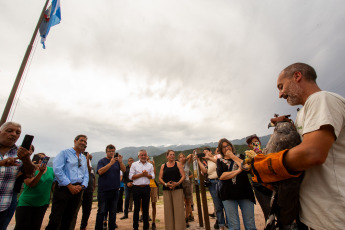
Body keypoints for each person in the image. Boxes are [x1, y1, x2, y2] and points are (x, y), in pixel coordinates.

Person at [252, 63, 345, 229]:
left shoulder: (322, 99)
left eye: (281, 87)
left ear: (297, 76)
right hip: (312, 215)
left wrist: (267, 165)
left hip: (334, 215)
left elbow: (312, 153)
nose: (280, 94)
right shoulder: (302, 113)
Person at [46, 134, 89, 230]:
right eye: (81, 140)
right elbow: (57, 170)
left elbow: (86, 174)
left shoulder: (83, 158)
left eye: (85, 142)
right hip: (63, 189)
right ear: (75, 141)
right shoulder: (64, 153)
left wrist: (82, 186)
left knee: (69, 218)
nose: (83, 143)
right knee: (56, 218)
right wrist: (69, 185)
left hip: (77, 190)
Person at [0, 121, 35, 229]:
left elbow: (30, 174)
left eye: (18, 132)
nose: (14, 134)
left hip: (4, 205)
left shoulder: (18, 153)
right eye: (9, 131)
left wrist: (26, 159)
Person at [217, 138, 256, 230]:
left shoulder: (240, 156)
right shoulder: (220, 161)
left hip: (245, 192)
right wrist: (239, 170)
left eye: (228, 145)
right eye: (223, 147)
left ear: (231, 146)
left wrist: (232, 156)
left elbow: (246, 168)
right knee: (233, 225)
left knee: (250, 223)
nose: (226, 148)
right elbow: (222, 176)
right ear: (221, 150)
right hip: (228, 194)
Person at [14, 153, 55, 230]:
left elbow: (53, 185)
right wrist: (40, 172)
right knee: (22, 226)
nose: (41, 160)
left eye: (43, 159)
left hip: (42, 203)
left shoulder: (51, 170)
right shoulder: (29, 170)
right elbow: (31, 184)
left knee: (36, 227)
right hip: (27, 203)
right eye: (39, 158)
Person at [95, 145, 126, 230]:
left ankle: (112, 227)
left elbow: (124, 170)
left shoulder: (117, 162)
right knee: (101, 212)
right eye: (110, 151)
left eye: (113, 151)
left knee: (113, 212)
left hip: (115, 190)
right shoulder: (101, 161)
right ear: (106, 152)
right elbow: (100, 172)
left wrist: (120, 162)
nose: (111, 153)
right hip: (103, 191)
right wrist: (110, 163)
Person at [197, 147, 226, 230]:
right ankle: (221, 225)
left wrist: (209, 157)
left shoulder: (217, 157)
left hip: (221, 181)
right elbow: (205, 171)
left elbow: (220, 162)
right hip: (212, 183)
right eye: (204, 153)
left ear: (210, 152)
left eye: (206, 152)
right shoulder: (205, 162)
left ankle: (228, 223)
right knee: (218, 205)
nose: (205, 154)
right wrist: (199, 161)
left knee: (226, 203)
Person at [245, 134, 272, 222]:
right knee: (268, 213)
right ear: (249, 145)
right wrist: (254, 157)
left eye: (257, 142)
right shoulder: (248, 155)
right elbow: (247, 168)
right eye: (253, 143)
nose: (256, 144)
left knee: (279, 212)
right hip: (259, 186)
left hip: (272, 184)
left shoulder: (266, 151)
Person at [159, 150, 186, 230]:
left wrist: (177, 183)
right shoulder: (163, 166)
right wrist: (166, 184)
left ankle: (179, 228)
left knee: (179, 210)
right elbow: (160, 178)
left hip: (177, 189)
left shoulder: (178, 164)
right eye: (170, 155)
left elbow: (183, 176)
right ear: (167, 156)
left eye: (173, 155)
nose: (172, 156)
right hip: (166, 190)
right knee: (168, 211)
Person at [129, 150, 155, 230]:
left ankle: (146, 227)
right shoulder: (134, 165)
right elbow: (131, 177)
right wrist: (141, 174)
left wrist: (147, 175)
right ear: (138, 156)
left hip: (146, 188)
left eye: (145, 155)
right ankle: (135, 227)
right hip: (136, 188)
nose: (143, 156)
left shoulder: (150, 165)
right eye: (142, 155)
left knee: (146, 208)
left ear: (147, 156)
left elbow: (153, 176)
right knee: (136, 208)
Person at [79, 152, 96, 230]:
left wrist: (93, 187)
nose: (88, 159)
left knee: (87, 210)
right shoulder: (79, 166)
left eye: (89, 159)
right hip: (80, 190)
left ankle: (83, 226)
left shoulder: (92, 169)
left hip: (89, 191)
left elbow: (94, 178)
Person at [178, 152, 193, 228]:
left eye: (183, 157)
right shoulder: (177, 165)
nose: (182, 158)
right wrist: (180, 161)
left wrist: (185, 159)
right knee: (180, 202)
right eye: (180, 157)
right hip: (180, 183)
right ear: (178, 159)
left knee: (188, 201)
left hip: (187, 182)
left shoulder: (187, 164)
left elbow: (190, 155)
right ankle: (181, 218)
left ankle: (187, 218)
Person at [147, 157, 158, 230]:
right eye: (148, 160)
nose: (149, 160)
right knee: (146, 205)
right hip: (146, 186)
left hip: (153, 186)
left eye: (149, 159)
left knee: (153, 204)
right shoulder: (144, 167)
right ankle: (147, 221)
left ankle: (153, 222)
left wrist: (153, 165)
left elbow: (154, 174)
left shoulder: (151, 167)